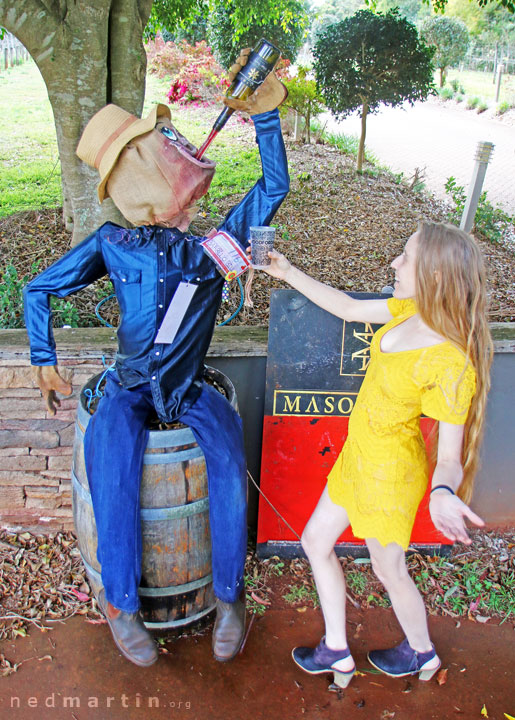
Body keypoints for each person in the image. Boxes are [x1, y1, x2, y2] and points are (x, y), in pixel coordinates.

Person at [23, 53, 289, 667]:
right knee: (110, 460)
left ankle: (229, 597)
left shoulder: (210, 252)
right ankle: (121, 603)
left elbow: (273, 188)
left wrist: (268, 118)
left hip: (191, 389)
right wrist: (42, 357)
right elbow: (40, 288)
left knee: (226, 461)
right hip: (130, 386)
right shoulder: (112, 245)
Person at [258, 221, 492, 688]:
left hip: (390, 477)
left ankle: (422, 652)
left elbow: (448, 456)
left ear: (436, 276)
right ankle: (336, 650)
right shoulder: (409, 309)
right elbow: (346, 308)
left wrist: (443, 491)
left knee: (388, 569)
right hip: (357, 459)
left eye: (406, 258)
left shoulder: (450, 361)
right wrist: (287, 274)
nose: (394, 263)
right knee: (314, 542)